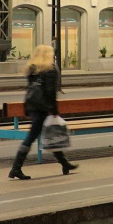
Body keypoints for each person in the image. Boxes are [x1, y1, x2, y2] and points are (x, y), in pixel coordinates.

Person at [10, 44, 77, 180]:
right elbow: (50, 92)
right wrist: (54, 110)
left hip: (33, 105)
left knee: (51, 133)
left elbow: (29, 90)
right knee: (32, 136)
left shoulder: (32, 68)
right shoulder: (50, 69)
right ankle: (15, 168)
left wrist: (26, 107)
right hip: (43, 107)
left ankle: (65, 163)